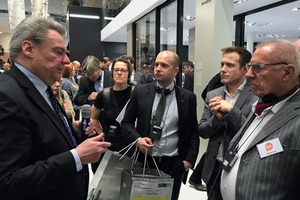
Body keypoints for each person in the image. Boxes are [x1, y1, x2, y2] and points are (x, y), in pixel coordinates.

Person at [0, 16, 111, 200]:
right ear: (29, 49)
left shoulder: (41, 87)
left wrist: (71, 132)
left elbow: (40, 140)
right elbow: (7, 183)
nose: (67, 60)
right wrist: (76, 157)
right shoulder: (6, 96)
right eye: (58, 52)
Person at [220, 39, 300, 200]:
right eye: (250, 66)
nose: (248, 74)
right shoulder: (262, 103)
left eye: (258, 67)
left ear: (287, 72)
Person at [121, 50, 199, 200]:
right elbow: (126, 123)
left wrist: (187, 162)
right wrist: (138, 140)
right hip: (143, 162)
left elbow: (193, 133)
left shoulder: (188, 98)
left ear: (175, 71)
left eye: (164, 65)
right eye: (156, 64)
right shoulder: (141, 91)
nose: (157, 68)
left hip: (172, 165)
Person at [198, 46, 257, 200]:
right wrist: (217, 118)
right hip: (214, 167)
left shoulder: (256, 95)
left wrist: (231, 111)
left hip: (240, 167)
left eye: (229, 65)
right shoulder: (213, 94)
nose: (223, 70)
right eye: (222, 64)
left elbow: (252, 133)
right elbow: (203, 131)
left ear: (245, 69)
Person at [91, 57, 134, 173]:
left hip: (128, 147)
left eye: (123, 70)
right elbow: (93, 118)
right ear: (112, 72)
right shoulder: (104, 95)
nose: (119, 73)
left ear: (129, 74)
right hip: (108, 145)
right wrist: (101, 133)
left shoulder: (135, 94)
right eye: (116, 70)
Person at [188, 72, 224, 192]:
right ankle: (195, 178)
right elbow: (201, 131)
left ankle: (195, 178)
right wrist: (212, 107)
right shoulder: (218, 83)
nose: (224, 69)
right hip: (215, 121)